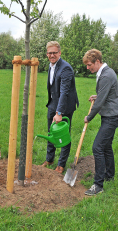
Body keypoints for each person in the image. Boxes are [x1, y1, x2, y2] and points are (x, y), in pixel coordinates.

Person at [82, 49, 118, 196]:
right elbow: (106, 94)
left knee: (97, 147)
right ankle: (109, 175)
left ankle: (98, 185)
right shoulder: (106, 73)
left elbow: (99, 105)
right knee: (106, 146)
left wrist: (89, 117)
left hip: (112, 117)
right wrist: (98, 96)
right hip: (112, 115)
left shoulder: (106, 75)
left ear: (97, 61)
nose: (88, 67)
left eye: (89, 64)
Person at [42, 41, 79, 173]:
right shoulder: (51, 65)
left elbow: (64, 92)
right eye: (50, 53)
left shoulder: (66, 68)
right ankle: (50, 159)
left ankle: (61, 164)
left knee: (63, 134)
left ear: (60, 53)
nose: (52, 55)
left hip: (65, 106)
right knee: (51, 132)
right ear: (47, 54)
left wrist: (59, 112)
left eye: (55, 53)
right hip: (53, 102)